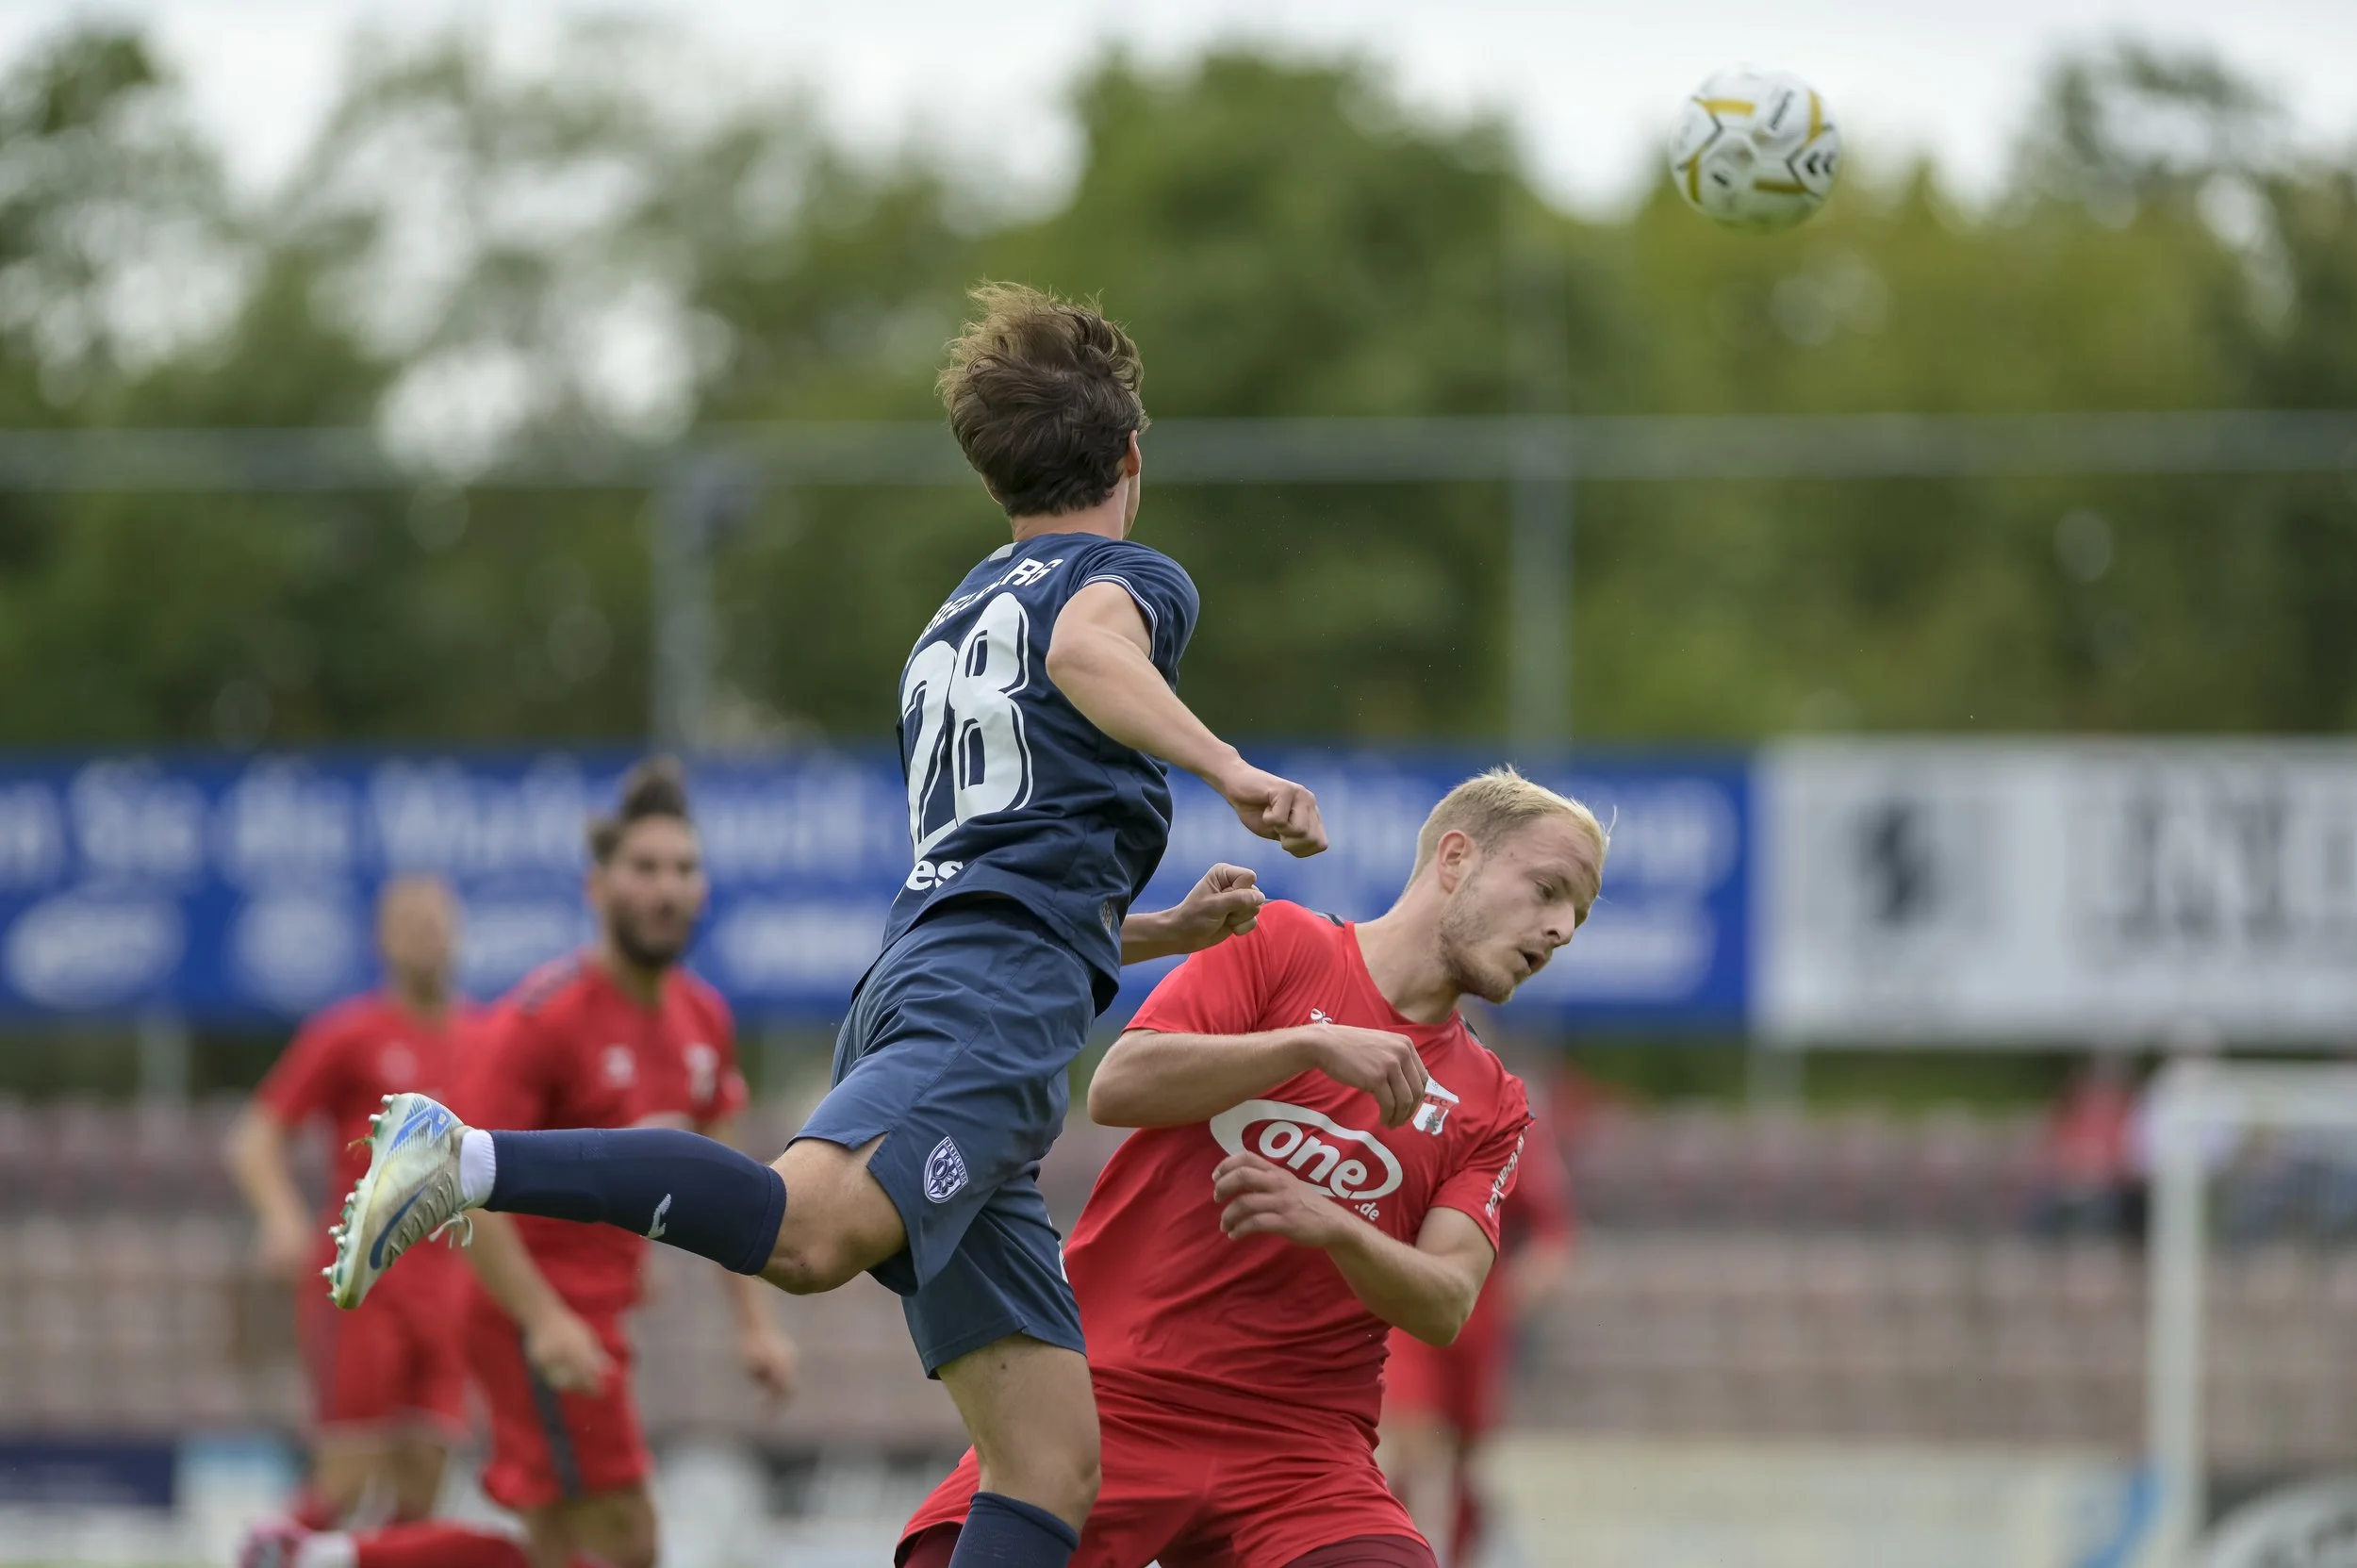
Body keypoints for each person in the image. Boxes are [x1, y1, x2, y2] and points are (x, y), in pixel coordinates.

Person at [326, 282, 1323, 1568]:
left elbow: (999, 872)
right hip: (984, 1010)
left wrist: (1164, 928)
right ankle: (461, 1158)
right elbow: (1088, 653)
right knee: (805, 1237)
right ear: (1132, 458)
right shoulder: (1125, 577)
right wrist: (1229, 768)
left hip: (951, 982)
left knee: (1049, 1461)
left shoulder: (950, 621)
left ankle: (463, 1161)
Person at [899, 767, 1607, 1568]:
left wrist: (1334, 1224)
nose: (1561, 928)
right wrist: (1307, 1044)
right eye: (1547, 890)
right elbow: (1118, 1085)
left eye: (1577, 915)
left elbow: (1446, 1301)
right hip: (1114, 1397)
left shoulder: (1496, 1102)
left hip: (1300, 1452)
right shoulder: (1280, 943)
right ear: (1455, 858)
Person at [248, 762, 798, 1568]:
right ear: (598, 887)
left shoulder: (704, 1019)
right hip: (531, 1309)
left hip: (588, 1309)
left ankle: (315, 1557)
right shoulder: (542, 1018)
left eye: (684, 868)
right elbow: (461, 1180)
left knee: (551, 1545)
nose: (666, 888)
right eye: (645, 868)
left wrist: (756, 1324)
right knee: (627, 1541)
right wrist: (543, 1319)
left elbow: (725, 1182)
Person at [226, 877, 470, 1534]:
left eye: (435, 922)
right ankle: (271, 1549)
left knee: (423, 1486)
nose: (425, 936)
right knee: (347, 1478)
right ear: (380, 940)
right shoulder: (350, 1033)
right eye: (408, 924)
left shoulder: (485, 1037)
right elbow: (255, 1137)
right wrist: (282, 1217)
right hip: (366, 1284)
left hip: (450, 1288)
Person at [1378, 1099, 1574, 1568]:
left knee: (1468, 1457)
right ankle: (1408, 1548)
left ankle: (1458, 1547)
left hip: (1479, 1317)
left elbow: (1553, 1230)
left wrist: (1525, 1284)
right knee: (1419, 1444)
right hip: (1411, 1307)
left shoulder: (1505, 1119)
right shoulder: (1399, 1107)